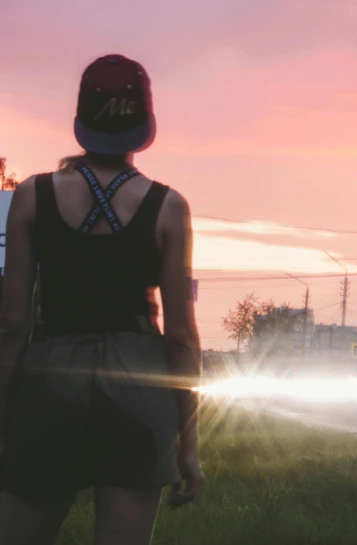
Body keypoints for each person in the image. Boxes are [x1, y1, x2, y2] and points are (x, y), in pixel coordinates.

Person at [0, 54, 203, 545]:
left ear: (81, 123)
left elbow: (10, 323)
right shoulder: (168, 207)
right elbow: (180, 336)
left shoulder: (31, 196)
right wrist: (188, 447)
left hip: (52, 374)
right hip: (137, 379)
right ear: (145, 125)